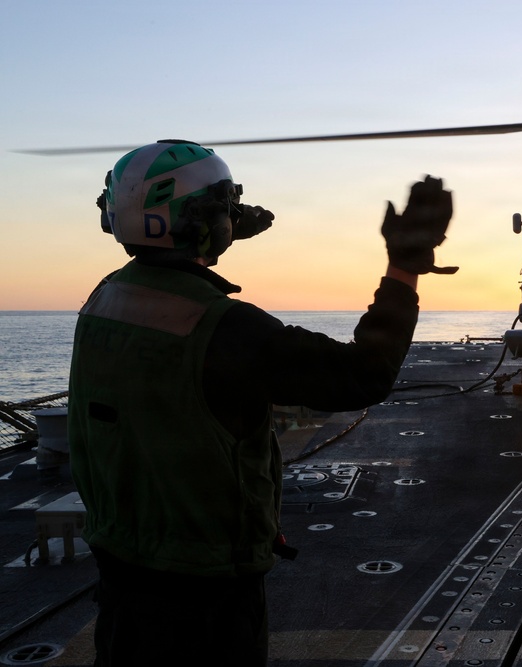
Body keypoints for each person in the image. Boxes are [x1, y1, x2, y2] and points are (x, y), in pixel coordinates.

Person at [67, 139, 457, 666]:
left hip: (121, 579)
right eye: (221, 206)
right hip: (204, 599)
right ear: (203, 220)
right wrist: (403, 266)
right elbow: (363, 376)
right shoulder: (224, 328)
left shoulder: (104, 299)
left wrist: (222, 220)